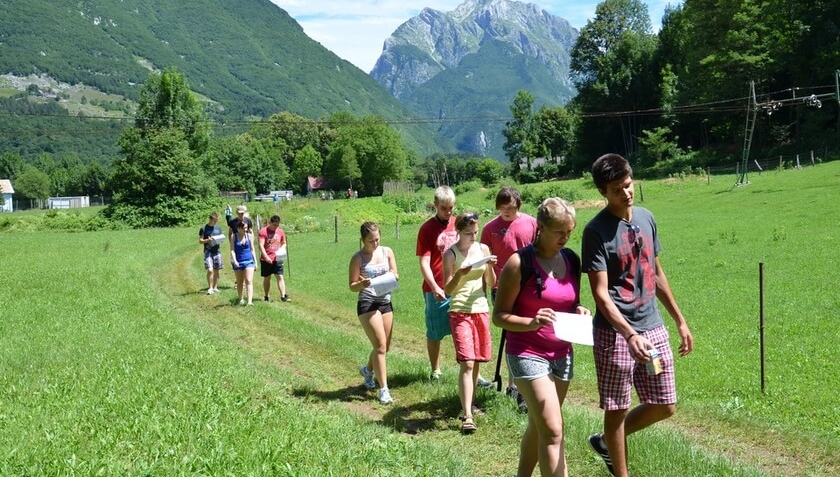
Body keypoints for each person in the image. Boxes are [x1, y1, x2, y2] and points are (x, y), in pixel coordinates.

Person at [581, 153, 694, 477]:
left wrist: (679, 320)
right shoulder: (596, 231)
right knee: (616, 408)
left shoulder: (646, 218)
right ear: (603, 192)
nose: (626, 193)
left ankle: (604, 442)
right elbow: (601, 295)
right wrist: (629, 334)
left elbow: (656, 273)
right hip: (615, 335)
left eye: (628, 185)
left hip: (653, 326)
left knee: (665, 404)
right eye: (617, 189)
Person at [493, 197, 590, 477]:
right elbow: (499, 316)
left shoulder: (571, 259)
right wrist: (531, 322)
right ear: (541, 228)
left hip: (562, 354)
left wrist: (580, 310)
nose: (565, 237)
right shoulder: (518, 263)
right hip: (526, 352)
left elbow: (571, 302)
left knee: (539, 425)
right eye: (559, 231)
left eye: (570, 231)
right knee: (553, 430)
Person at [480, 186, 538, 408]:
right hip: (501, 288)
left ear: (519, 206)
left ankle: (526, 382)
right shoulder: (489, 229)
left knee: (530, 332)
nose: (507, 211)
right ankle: (514, 385)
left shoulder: (532, 223)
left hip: (530, 285)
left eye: (511, 208)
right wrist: (484, 291)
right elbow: (482, 263)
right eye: (503, 208)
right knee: (513, 334)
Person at [443, 212, 497, 434]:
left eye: (475, 232)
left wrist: (491, 265)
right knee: (466, 362)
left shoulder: (483, 249)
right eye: (468, 233)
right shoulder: (451, 254)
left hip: (481, 309)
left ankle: (471, 403)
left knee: (476, 362)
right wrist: (461, 274)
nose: (473, 236)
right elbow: (448, 289)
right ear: (459, 232)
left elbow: (491, 283)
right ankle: (466, 415)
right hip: (460, 311)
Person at [348, 221, 399, 405]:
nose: (375, 243)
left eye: (377, 239)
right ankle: (383, 389)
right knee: (380, 346)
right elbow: (352, 286)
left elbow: (395, 273)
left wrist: (393, 277)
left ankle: (368, 371)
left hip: (385, 301)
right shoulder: (358, 258)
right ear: (362, 240)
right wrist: (362, 284)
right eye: (370, 241)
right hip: (367, 302)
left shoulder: (387, 252)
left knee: (385, 346)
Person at [416, 185, 459, 380]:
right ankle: (436, 369)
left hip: (458, 287)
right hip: (435, 289)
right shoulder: (426, 229)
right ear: (435, 205)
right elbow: (424, 262)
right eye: (444, 208)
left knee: (463, 329)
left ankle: (469, 370)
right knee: (435, 332)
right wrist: (434, 287)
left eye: (451, 207)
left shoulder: (458, 224)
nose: (448, 212)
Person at [258, 215, 290, 302]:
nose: (276, 227)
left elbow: (284, 243)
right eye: (274, 225)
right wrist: (266, 257)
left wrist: (282, 248)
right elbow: (261, 245)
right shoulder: (263, 231)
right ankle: (266, 295)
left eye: (277, 225)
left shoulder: (280, 231)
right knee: (267, 277)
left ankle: (283, 296)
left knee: (280, 276)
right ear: (270, 223)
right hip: (266, 259)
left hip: (278, 258)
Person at [229, 220, 256, 306]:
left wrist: (255, 262)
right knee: (240, 281)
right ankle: (241, 299)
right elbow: (232, 250)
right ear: (239, 228)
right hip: (238, 262)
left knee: (249, 280)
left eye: (246, 228)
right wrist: (235, 260)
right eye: (243, 228)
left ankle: (249, 301)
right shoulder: (234, 236)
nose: (245, 230)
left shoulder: (249, 236)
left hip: (249, 261)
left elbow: (252, 249)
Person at [198, 212, 224, 294]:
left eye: (216, 221)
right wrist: (207, 240)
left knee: (216, 270)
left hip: (217, 251)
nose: (215, 222)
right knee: (210, 269)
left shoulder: (218, 228)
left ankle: (215, 287)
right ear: (210, 219)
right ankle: (210, 287)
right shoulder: (204, 228)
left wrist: (220, 239)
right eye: (214, 221)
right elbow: (200, 241)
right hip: (208, 251)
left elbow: (221, 236)